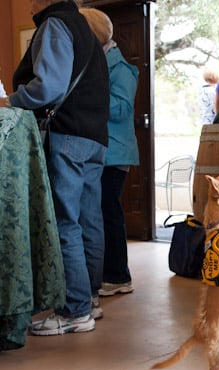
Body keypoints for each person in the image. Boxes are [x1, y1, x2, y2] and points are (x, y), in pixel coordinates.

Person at [1, 0, 109, 335]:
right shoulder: (85, 29)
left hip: (67, 134)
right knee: (89, 219)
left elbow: (48, 86)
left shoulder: (55, 24)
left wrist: (10, 100)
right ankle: (89, 298)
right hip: (95, 137)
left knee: (64, 222)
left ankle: (74, 311)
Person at [79, 8, 139, 301]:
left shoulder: (121, 69)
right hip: (102, 149)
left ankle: (118, 276)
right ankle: (107, 274)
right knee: (100, 213)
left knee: (109, 213)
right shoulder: (100, 64)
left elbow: (123, 108)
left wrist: (89, 98)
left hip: (116, 153)